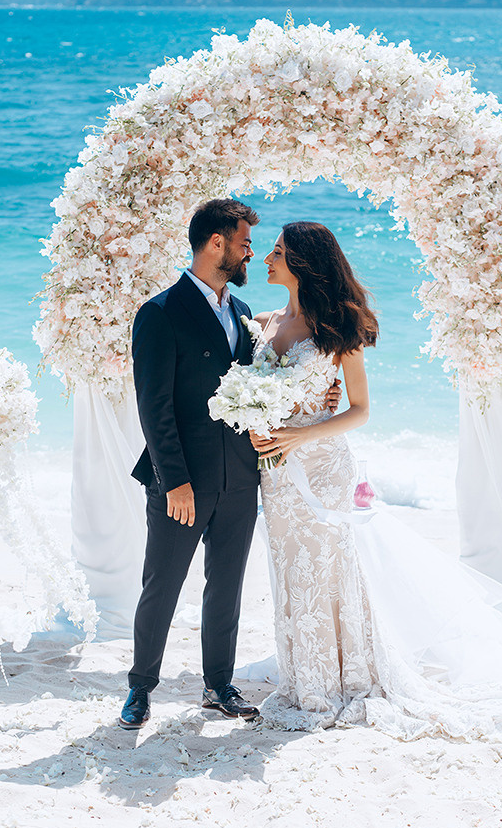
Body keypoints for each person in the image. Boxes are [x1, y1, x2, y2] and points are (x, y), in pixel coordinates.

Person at [248, 222, 502, 738]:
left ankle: (339, 680)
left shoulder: (338, 331)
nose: (268, 258)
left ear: (303, 263)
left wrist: (303, 436)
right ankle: (304, 676)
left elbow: (360, 410)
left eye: (278, 252)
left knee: (328, 571)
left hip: (321, 467)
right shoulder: (264, 323)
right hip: (277, 475)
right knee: (289, 570)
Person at [119, 200, 341, 730]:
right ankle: (140, 688)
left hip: (243, 476)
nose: (249, 253)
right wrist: (174, 481)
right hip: (183, 483)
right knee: (162, 586)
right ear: (215, 244)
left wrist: (319, 396)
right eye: (244, 242)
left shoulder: (244, 315)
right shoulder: (160, 313)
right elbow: (154, 406)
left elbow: (270, 385)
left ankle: (218, 685)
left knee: (227, 586)